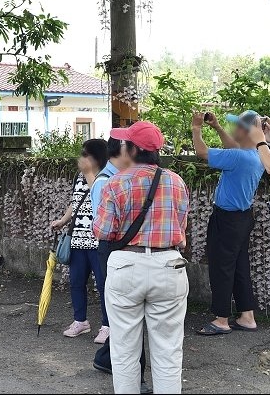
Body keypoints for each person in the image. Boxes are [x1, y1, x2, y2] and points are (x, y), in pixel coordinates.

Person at [94, 121, 190, 394]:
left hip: (127, 266)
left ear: (133, 148)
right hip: (168, 266)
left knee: (124, 351)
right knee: (168, 352)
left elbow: (103, 231)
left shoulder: (115, 182)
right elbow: (181, 228)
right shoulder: (176, 181)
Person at [192, 111, 265, 335]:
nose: (233, 129)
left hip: (227, 219)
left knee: (221, 267)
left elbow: (202, 152)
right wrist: (217, 127)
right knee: (240, 266)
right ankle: (247, 316)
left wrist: (197, 128)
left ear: (245, 131)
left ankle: (221, 319)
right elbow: (234, 147)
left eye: (237, 126)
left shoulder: (238, 158)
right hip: (243, 218)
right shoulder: (258, 155)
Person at [90, 138, 150, 393]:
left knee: (125, 314)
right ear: (124, 151)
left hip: (124, 252)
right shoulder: (108, 181)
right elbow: (102, 228)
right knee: (125, 314)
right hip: (115, 251)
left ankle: (107, 358)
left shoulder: (123, 179)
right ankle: (129, 372)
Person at [50, 139, 110, 343]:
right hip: (78, 237)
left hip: (97, 240)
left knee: (103, 284)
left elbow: (98, 198)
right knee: (76, 282)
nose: (81, 158)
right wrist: (63, 220)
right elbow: (76, 202)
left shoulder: (105, 177)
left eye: (85, 154)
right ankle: (80, 321)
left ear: (96, 157)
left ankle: (107, 324)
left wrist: (88, 173)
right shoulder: (79, 177)